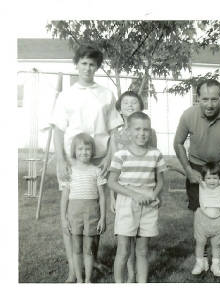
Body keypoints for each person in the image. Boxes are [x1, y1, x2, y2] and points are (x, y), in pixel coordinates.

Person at [51, 44, 123, 282]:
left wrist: (110, 158)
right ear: (77, 64)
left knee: (94, 210)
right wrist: (61, 159)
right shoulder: (66, 95)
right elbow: (59, 130)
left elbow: (114, 130)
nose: (88, 68)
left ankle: (93, 260)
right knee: (71, 211)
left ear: (97, 67)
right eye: (83, 63)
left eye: (92, 64)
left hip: (99, 158)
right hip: (73, 159)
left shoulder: (105, 94)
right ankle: (74, 268)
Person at [173, 78, 220, 270]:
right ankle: (202, 258)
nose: (209, 104)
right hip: (197, 167)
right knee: (200, 213)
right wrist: (188, 170)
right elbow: (178, 143)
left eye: (214, 99)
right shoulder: (188, 115)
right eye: (204, 99)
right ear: (197, 97)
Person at [108, 111, 167, 283]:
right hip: (127, 202)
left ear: (150, 132)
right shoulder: (121, 155)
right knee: (124, 250)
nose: (142, 133)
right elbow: (112, 182)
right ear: (128, 131)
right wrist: (134, 194)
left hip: (148, 204)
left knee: (142, 251)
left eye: (146, 130)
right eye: (137, 129)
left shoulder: (155, 154)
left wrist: (154, 195)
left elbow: (160, 181)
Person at [61, 133, 106, 283]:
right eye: (80, 149)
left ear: (92, 151)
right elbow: (65, 197)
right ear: (74, 151)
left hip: (92, 213)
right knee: (77, 249)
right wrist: (63, 218)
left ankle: (88, 280)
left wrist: (103, 218)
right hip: (74, 214)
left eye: (87, 149)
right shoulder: (70, 171)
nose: (84, 152)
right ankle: (79, 279)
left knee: (89, 249)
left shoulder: (96, 171)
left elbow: (102, 196)